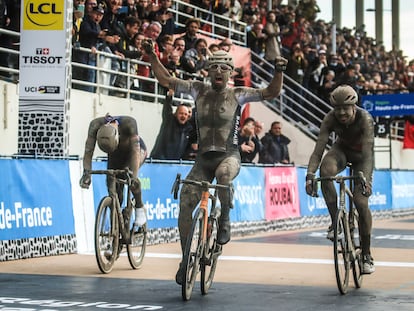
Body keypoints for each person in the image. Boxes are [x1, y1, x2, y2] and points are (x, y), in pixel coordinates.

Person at [140, 39, 288, 285]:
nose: (218, 71)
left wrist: (279, 72)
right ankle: (186, 257)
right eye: (214, 67)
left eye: (224, 68)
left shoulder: (237, 94)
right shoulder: (197, 89)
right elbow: (166, 80)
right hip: (202, 160)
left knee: (223, 176)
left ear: (231, 73)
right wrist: (153, 57)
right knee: (187, 200)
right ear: (207, 71)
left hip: (228, 156)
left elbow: (270, 92)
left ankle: (225, 220)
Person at [305, 85, 375, 274]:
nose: (342, 113)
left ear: (354, 107)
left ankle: (366, 254)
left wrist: (366, 180)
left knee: (361, 203)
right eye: (338, 109)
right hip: (341, 151)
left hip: (362, 157)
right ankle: (336, 221)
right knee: (325, 171)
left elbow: (368, 153)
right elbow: (318, 150)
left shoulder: (365, 119)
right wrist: (310, 175)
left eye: (346, 109)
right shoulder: (329, 118)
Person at [79, 113, 147, 227]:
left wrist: (133, 177)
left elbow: (135, 153)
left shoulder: (129, 124)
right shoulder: (95, 125)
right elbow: (88, 151)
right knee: (112, 184)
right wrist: (86, 173)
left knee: (131, 177)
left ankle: (139, 207)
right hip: (114, 154)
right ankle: (115, 224)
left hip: (135, 151)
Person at [150, 92, 194, 160]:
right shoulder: (169, 121)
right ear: (176, 114)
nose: (183, 116)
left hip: (175, 164)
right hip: (159, 161)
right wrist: (169, 96)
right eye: (181, 113)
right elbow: (167, 109)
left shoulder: (188, 129)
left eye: (185, 114)